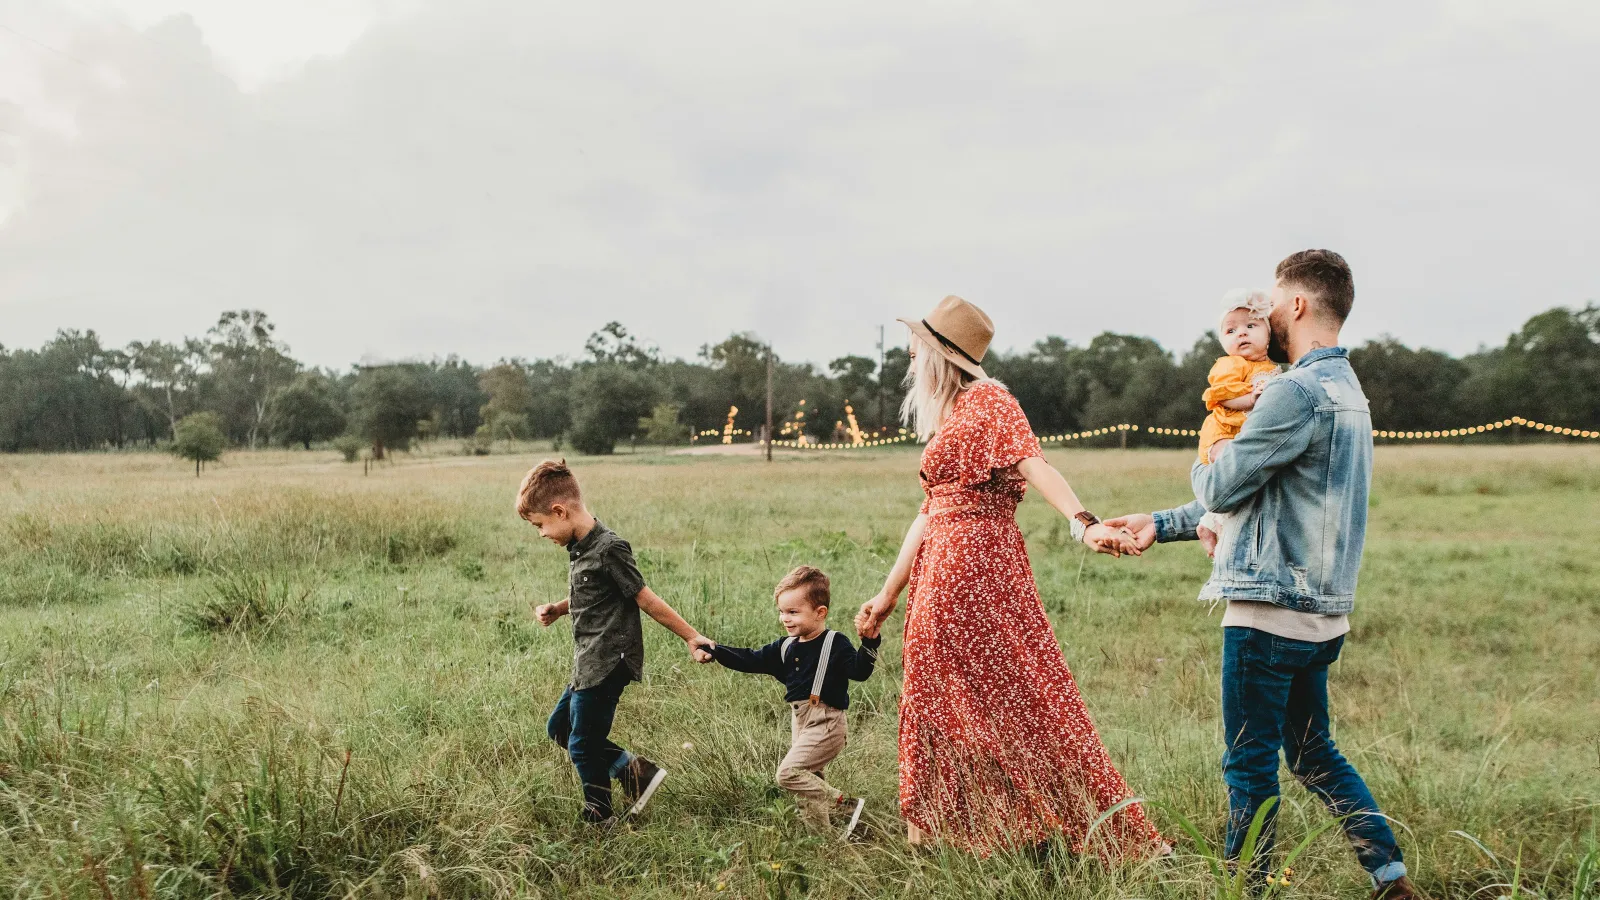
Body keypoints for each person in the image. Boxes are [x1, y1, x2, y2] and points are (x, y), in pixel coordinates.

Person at [1107, 250, 1418, 900]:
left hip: (1267, 612)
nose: (1266, 312)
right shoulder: (1347, 392)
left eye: (1274, 300)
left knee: (1248, 765)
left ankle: (1245, 890)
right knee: (1312, 754)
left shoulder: (1293, 391)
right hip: (1322, 613)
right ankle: (1390, 877)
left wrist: (1208, 445)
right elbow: (1262, 493)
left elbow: (1222, 482)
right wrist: (1160, 524)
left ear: (1298, 305)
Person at [853, 294, 1165, 857]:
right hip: (942, 565)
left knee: (1017, 695)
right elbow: (928, 513)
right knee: (943, 695)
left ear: (939, 353)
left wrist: (1084, 522)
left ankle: (1047, 825)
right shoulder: (951, 413)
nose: (907, 354)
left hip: (974, 567)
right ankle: (945, 832)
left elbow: (1034, 463)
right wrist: (887, 594)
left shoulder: (990, 401)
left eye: (916, 345)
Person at [520, 459, 715, 825]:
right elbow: (595, 595)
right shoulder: (581, 548)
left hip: (609, 661)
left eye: (540, 525)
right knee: (560, 729)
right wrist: (560, 608)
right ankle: (635, 773)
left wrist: (692, 637)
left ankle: (600, 816)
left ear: (560, 511)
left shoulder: (609, 548)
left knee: (582, 743)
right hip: (587, 660)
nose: (541, 534)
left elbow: (644, 598)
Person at [699, 565, 880, 837]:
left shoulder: (835, 642)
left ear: (820, 613)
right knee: (808, 785)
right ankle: (824, 842)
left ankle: (846, 805)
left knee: (789, 774)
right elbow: (750, 659)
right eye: (782, 612)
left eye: (793, 612)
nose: (785, 618)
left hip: (827, 723)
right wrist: (715, 651)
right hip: (801, 721)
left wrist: (869, 643)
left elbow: (860, 672)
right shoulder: (785, 647)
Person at [1195, 288, 1282, 556]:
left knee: (1246, 480)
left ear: (1269, 335)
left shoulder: (1272, 368)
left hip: (1243, 434)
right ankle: (1213, 524)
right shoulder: (1231, 364)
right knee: (1231, 472)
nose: (1241, 333)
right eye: (1230, 331)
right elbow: (1223, 395)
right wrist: (1251, 399)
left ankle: (1209, 523)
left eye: (1251, 326)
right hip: (1223, 432)